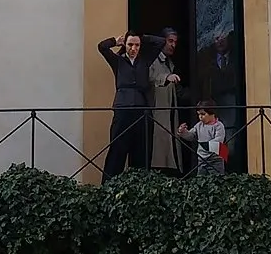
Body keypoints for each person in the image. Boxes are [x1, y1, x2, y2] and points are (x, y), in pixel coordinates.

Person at [96, 32, 155, 180]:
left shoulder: (145, 61)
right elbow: (102, 47)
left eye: (137, 45)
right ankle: (109, 186)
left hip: (142, 110)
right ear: (125, 45)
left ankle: (139, 188)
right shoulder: (118, 61)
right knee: (117, 149)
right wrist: (115, 41)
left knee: (141, 152)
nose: (133, 48)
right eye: (130, 44)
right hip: (122, 109)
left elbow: (160, 42)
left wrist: (143, 38)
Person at [147, 28, 183, 175]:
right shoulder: (152, 60)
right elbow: (148, 77)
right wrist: (165, 78)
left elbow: (178, 91)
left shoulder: (169, 63)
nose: (173, 45)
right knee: (160, 150)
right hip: (157, 113)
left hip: (169, 113)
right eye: (170, 41)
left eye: (175, 42)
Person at [177, 100, 227, 177]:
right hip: (202, 158)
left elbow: (219, 139)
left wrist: (206, 145)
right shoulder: (199, 125)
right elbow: (191, 136)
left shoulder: (218, 126)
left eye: (203, 114)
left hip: (215, 159)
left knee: (217, 179)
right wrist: (183, 132)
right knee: (201, 178)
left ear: (212, 113)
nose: (200, 116)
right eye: (199, 114)